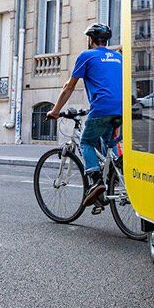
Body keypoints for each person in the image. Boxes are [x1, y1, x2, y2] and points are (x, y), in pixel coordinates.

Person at [47, 22, 122, 208]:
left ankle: (96, 181)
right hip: (120, 109)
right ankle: (114, 178)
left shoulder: (86, 56)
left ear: (90, 39)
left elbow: (69, 87)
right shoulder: (118, 57)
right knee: (108, 144)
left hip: (102, 109)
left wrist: (55, 111)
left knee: (86, 142)